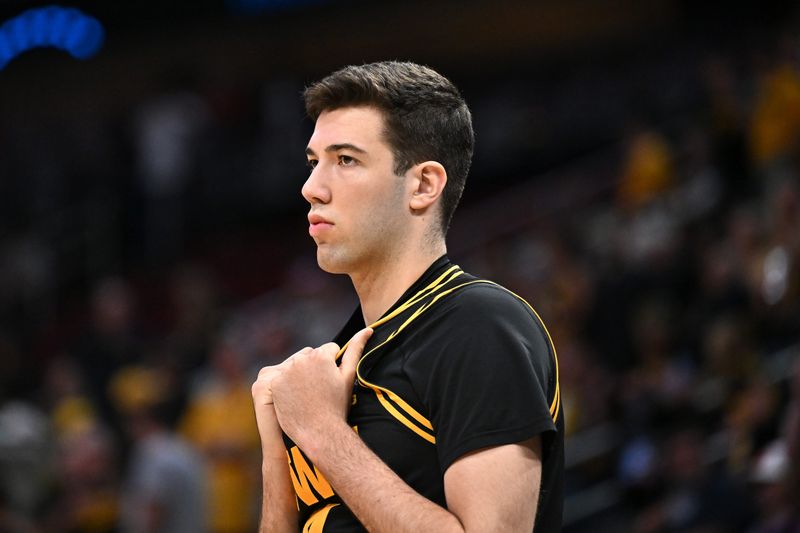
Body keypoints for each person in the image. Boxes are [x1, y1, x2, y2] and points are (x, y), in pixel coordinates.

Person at [251, 61, 564, 532]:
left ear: (423, 185)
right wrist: (277, 455)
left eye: (346, 160)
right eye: (314, 163)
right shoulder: (336, 360)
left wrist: (322, 432)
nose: (311, 188)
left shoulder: (480, 325)